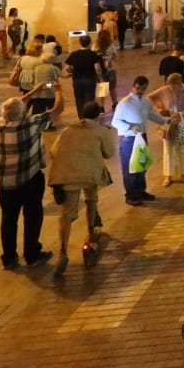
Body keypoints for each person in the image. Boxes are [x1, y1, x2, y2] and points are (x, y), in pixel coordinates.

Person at [0, 85, 63, 270]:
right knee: (32, 216)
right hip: (29, 179)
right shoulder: (31, 124)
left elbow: (12, 109)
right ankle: (32, 253)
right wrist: (57, 91)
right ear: (22, 112)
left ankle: (9, 258)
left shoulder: (0, 125)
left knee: (8, 219)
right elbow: (57, 110)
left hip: (5, 181)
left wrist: (33, 92)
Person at [48, 101, 115, 277]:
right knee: (91, 199)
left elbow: (53, 152)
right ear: (97, 116)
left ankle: (63, 251)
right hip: (90, 174)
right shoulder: (100, 131)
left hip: (66, 175)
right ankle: (91, 233)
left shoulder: (67, 131)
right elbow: (109, 153)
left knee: (66, 214)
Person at [111, 75, 167, 205]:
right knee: (130, 167)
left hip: (141, 136)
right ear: (133, 86)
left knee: (141, 165)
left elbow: (151, 114)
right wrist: (130, 126)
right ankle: (131, 195)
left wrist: (166, 121)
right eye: (137, 88)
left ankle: (140, 191)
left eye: (142, 89)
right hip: (128, 139)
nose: (139, 91)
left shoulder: (146, 101)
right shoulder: (125, 103)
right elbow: (115, 121)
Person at [147, 74, 184, 186]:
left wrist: (182, 114)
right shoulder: (165, 90)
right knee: (169, 149)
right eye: (169, 86)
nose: (171, 89)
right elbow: (150, 97)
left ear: (179, 84)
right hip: (168, 124)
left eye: (173, 86)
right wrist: (159, 108)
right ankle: (168, 175)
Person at [63, 34, 105, 114]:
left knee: (79, 99)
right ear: (89, 43)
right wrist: (101, 78)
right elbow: (97, 68)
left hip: (77, 80)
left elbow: (67, 68)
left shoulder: (74, 54)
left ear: (80, 43)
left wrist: (73, 72)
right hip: (90, 79)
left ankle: (81, 117)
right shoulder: (93, 54)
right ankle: (88, 117)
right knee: (89, 100)